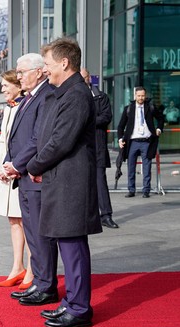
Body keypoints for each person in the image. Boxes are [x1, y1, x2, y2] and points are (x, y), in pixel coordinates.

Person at [25, 38, 102, 327]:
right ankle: (71, 301)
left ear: (64, 63)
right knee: (67, 244)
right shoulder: (64, 93)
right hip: (62, 179)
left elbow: (61, 140)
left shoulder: (77, 95)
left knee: (73, 245)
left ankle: (80, 308)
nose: (45, 69)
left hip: (72, 182)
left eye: (48, 64)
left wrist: (34, 165)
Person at [2, 53, 58, 306]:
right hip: (23, 175)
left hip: (36, 177)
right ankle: (39, 281)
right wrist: (7, 162)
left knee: (40, 233)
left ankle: (46, 285)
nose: (19, 76)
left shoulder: (45, 96)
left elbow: (38, 139)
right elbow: (16, 137)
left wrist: (15, 164)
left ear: (38, 71)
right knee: (33, 233)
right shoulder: (28, 98)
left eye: (23, 71)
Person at [0, 69, 33, 289]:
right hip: (7, 172)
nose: (3, 89)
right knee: (13, 220)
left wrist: (12, 167)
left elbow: (26, 142)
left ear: (17, 85)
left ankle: (32, 269)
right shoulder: (9, 108)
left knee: (27, 221)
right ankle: (17, 267)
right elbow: (3, 141)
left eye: (5, 85)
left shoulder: (25, 106)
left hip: (20, 171)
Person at [81, 68, 118, 228]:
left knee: (100, 181)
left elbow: (106, 117)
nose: (83, 80)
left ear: (89, 77)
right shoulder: (73, 96)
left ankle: (106, 215)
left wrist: (86, 121)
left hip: (97, 146)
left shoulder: (101, 96)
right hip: (79, 148)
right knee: (80, 183)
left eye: (85, 77)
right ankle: (85, 216)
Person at [117, 86, 164, 198]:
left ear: (145, 95)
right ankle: (131, 190)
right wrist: (120, 139)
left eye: (143, 95)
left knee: (147, 168)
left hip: (147, 142)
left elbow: (161, 118)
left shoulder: (150, 107)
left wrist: (159, 129)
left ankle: (146, 191)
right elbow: (120, 126)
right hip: (132, 142)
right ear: (135, 96)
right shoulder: (128, 108)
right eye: (139, 96)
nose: (141, 98)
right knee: (131, 167)